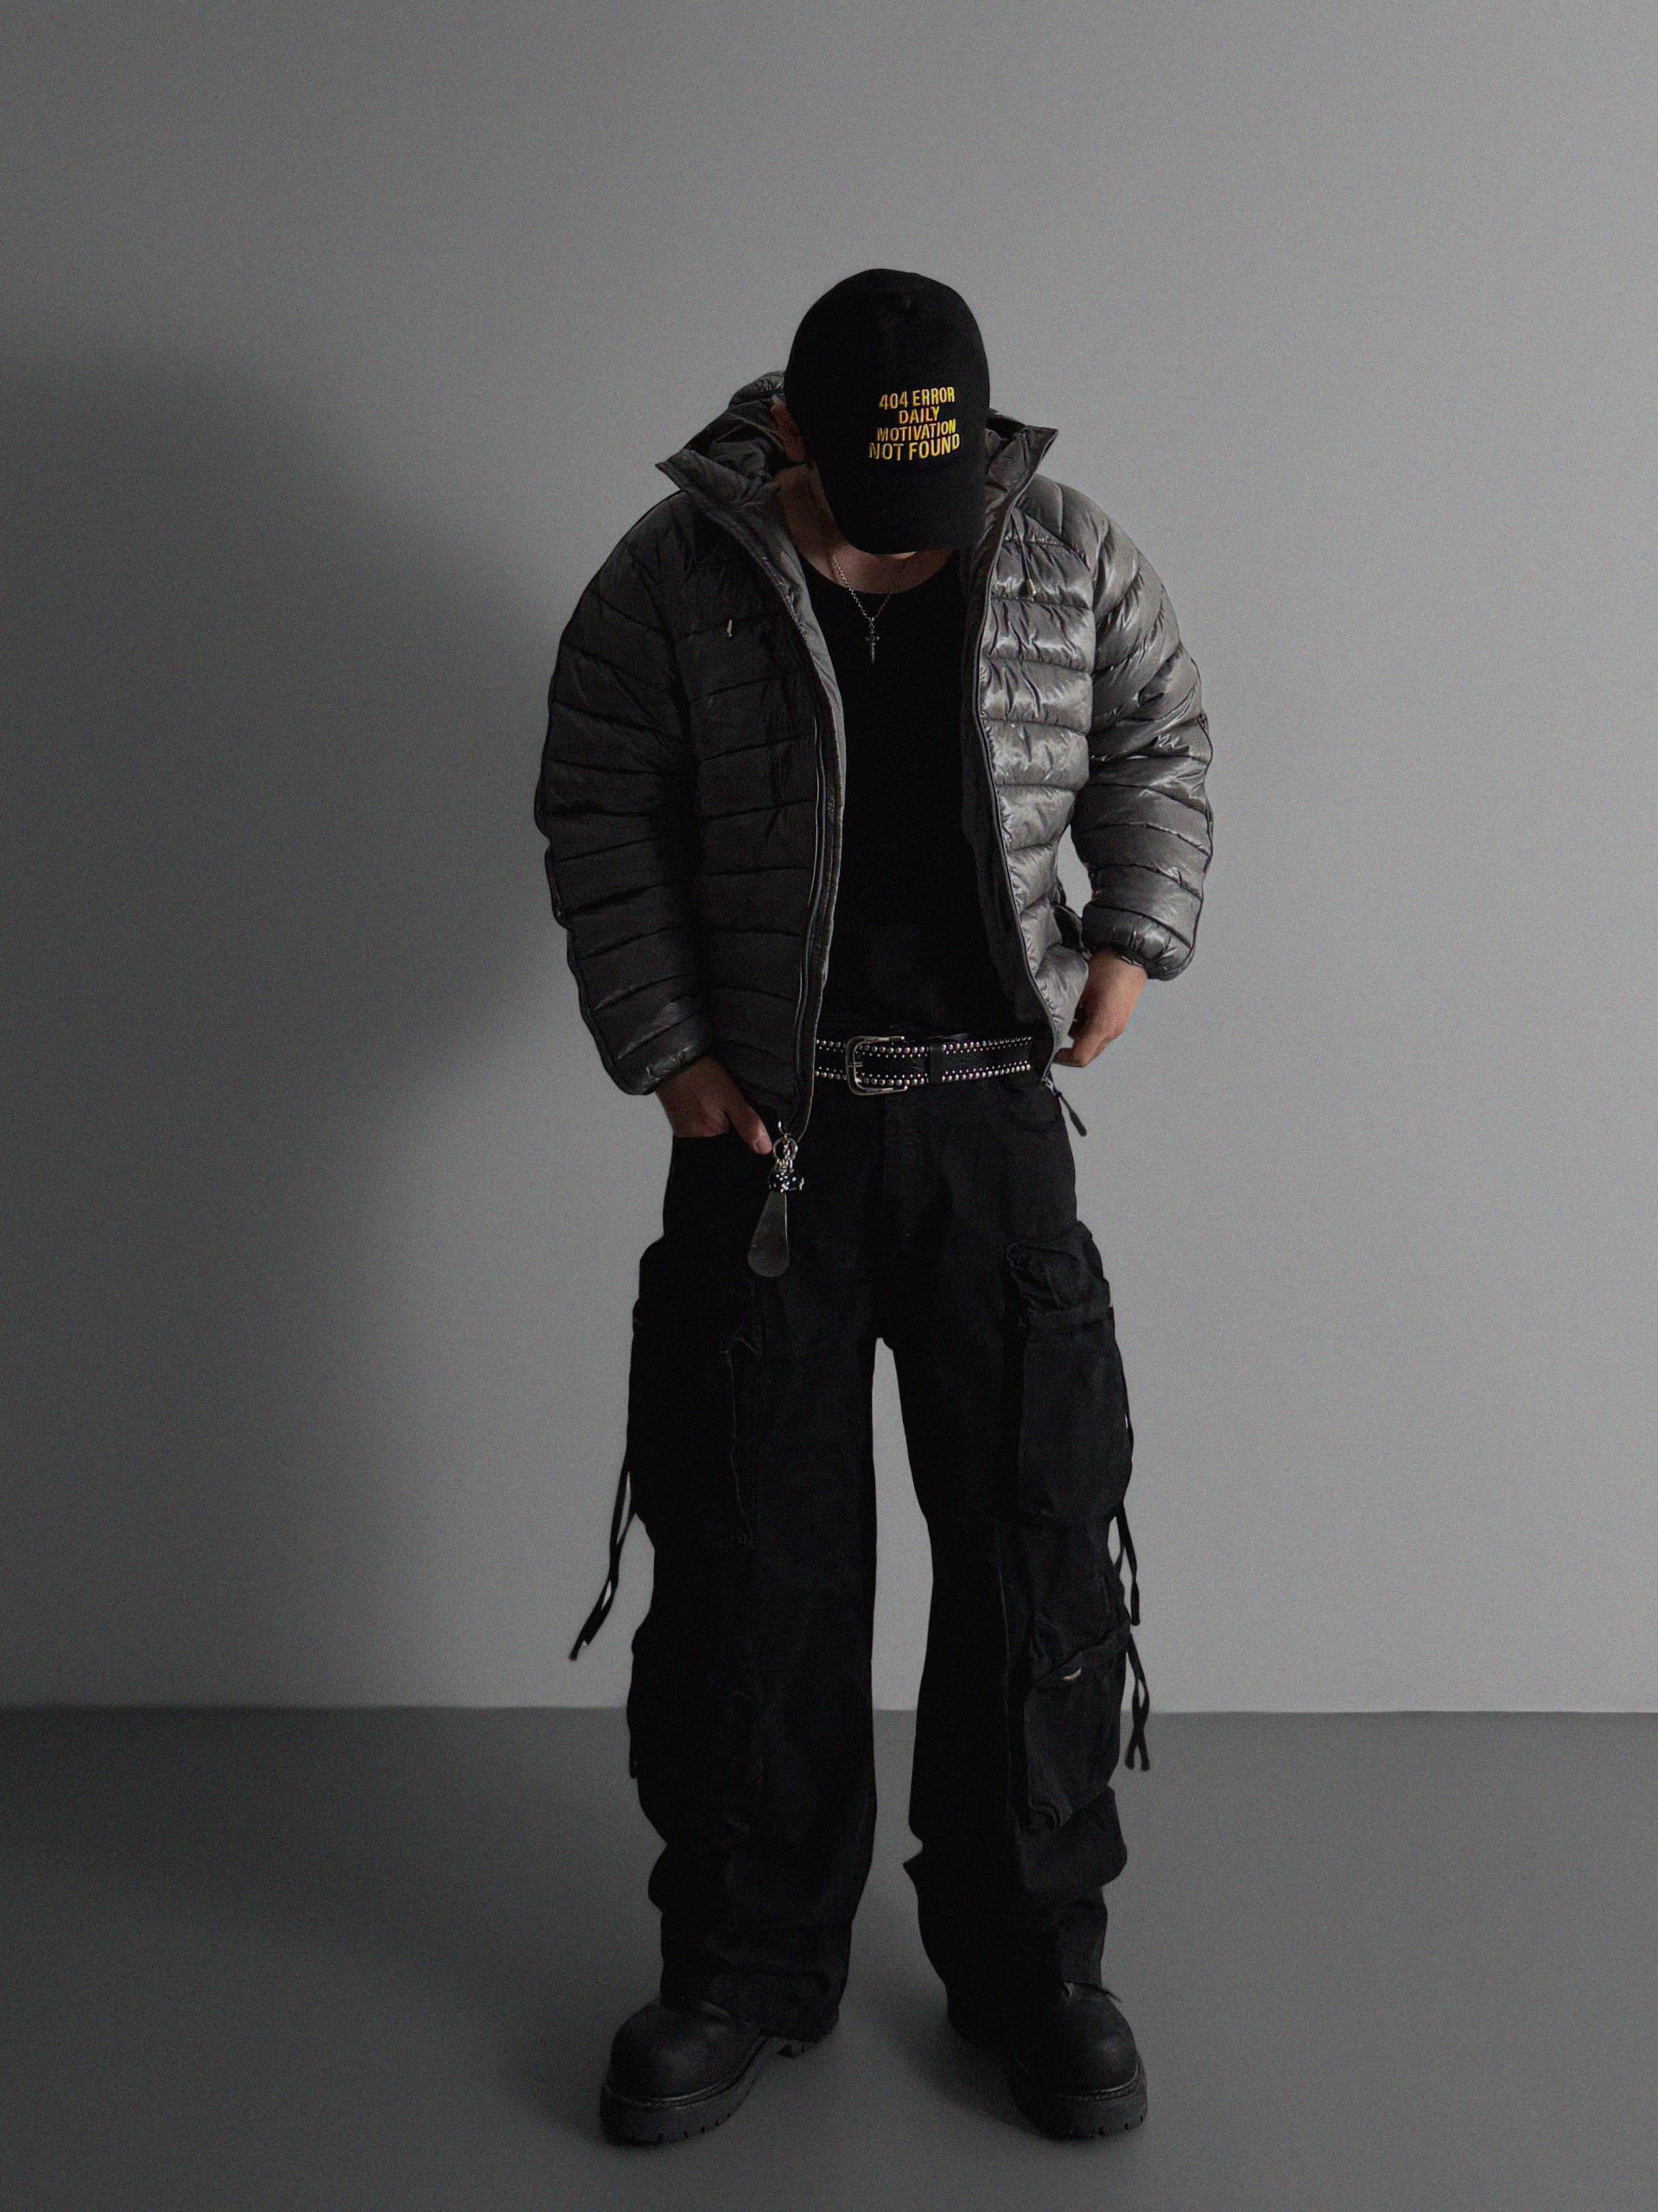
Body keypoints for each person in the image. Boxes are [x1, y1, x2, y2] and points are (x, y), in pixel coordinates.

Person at [534, 267, 1213, 2145]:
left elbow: (1159, 739)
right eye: (874, 499)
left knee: (1035, 1540)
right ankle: (742, 1961)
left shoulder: (1066, 548)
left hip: (993, 1116)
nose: (915, 540)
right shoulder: (673, 577)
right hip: (764, 1135)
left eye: (947, 496)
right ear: (787, 434)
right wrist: (667, 1045)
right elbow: (599, 804)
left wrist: (1134, 933)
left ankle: (1032, 1959)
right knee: (752, 1554)